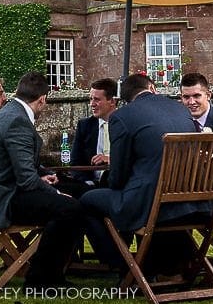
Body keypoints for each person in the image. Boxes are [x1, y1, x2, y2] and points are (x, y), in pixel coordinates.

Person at [0, 71, 86, 292]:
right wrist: (54, 194)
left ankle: (68, 264)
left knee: (79, 189)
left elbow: (22, 165)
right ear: (42, 99)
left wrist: (43, 176)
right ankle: (42, 280)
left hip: (8, 189)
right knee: (69, 207)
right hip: (5, 199)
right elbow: (26, 179)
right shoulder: (17, 119)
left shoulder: (11, 112)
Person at [80, 72, 200, 273]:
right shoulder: (180, 110)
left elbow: (118, 176)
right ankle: (162, 262)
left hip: (149, 203)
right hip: (188, 201)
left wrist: (116, 183)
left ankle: (122, 264)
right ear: (152, 88)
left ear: (125, 98)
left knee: (87, 201)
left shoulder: (123, 116)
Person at [69, 78, 117, 186]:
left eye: (97, 99)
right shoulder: (85, 125)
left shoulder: (126, 124)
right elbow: (75, 162)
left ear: (112, 101)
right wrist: (87, 183)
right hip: (91, 184)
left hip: (119, 185)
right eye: (91, 99)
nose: (92, 104)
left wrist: (111, 159)